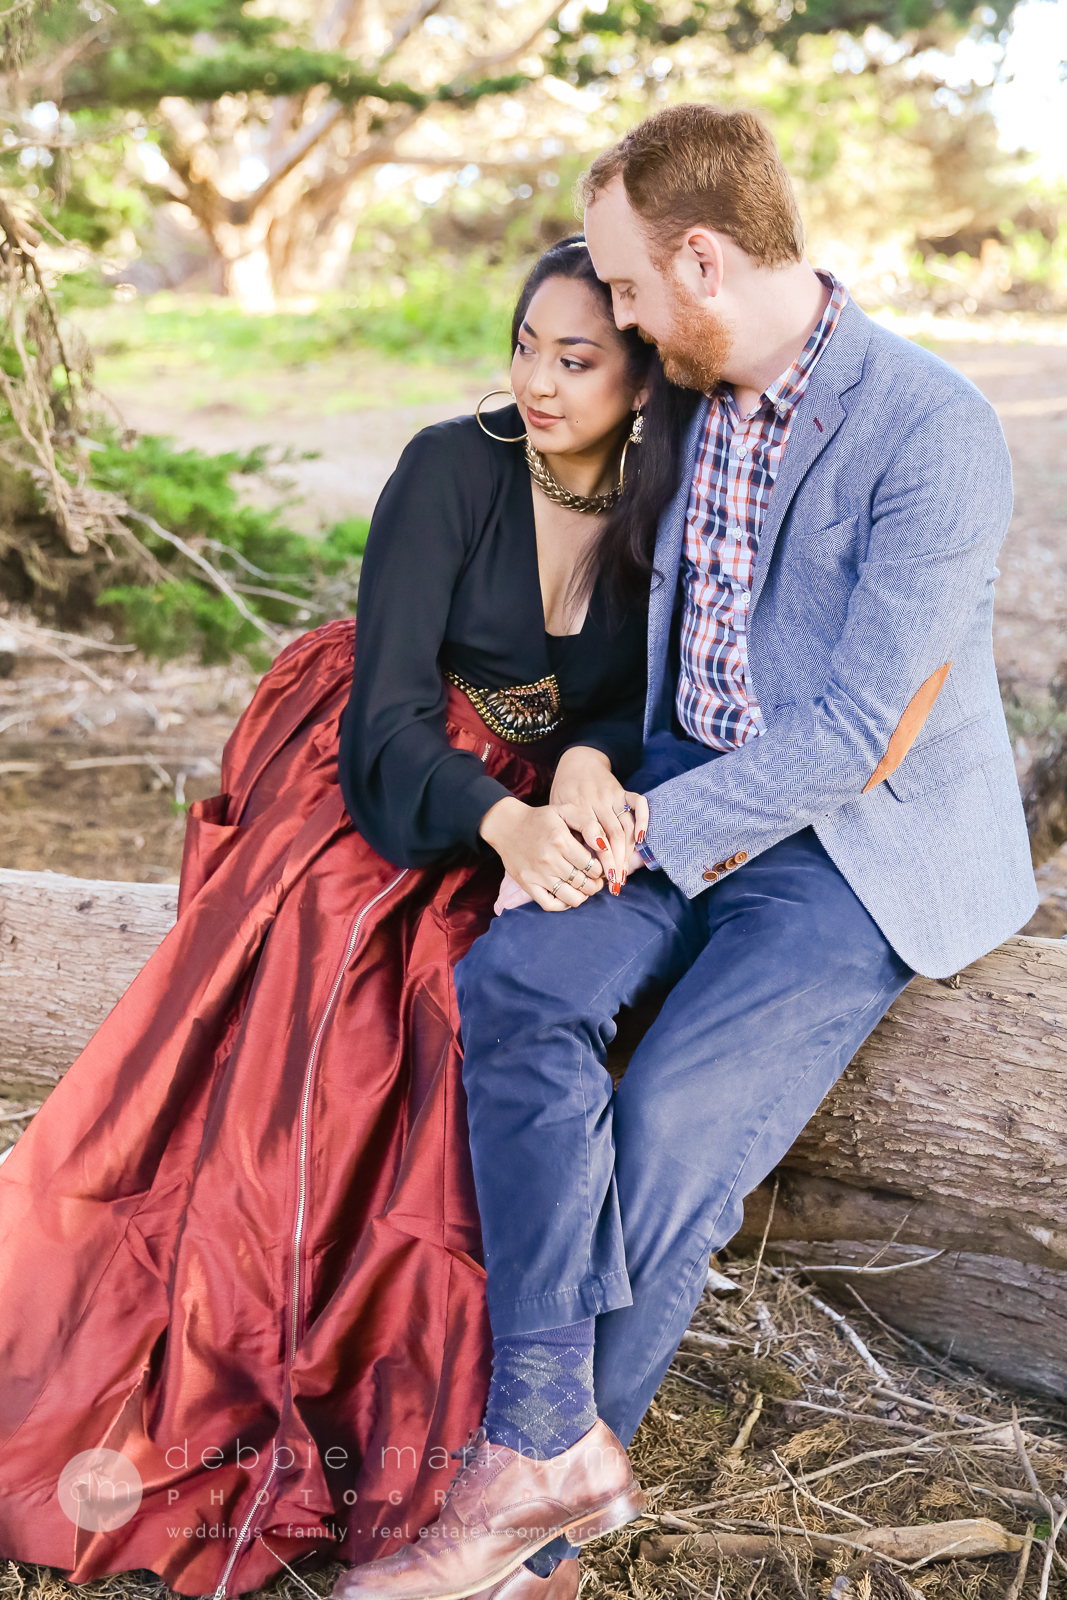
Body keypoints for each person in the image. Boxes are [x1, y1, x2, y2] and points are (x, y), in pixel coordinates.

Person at [330, 103, 1037, 1600]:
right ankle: (547, 1440)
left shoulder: (933, 429)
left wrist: (645, 829)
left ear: (704, 261)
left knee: (664, 1140)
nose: (620, 324)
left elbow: (858, 729)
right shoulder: (685, 398)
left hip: (850, 846)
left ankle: (535, 1536)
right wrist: (579, 793)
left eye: (631, 291)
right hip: (664, 786)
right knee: (515, 987)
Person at [0, 238, 696, 1599]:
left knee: (519, 993)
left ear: (643, 379)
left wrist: (585, 773)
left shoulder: (662, 503)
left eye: (578, 360)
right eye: (523, 348)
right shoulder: (450, 467)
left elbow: (622, 703)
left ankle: (492, 1450)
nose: (538, 382)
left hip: (536, 787)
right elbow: (380, 724)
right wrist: (502, 827)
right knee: (361, 979)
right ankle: (275, 1358)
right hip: (380, 763)